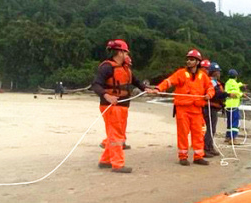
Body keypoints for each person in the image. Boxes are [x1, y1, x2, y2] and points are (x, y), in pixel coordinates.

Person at [91, 39, 148, 173]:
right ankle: (117, 164)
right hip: (111, 106)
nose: (127, 55)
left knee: (116, 134)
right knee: (116, 136)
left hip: (122, 106)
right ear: (120, 52)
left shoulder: (125, 68)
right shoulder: (107, 67)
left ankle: (105, 161)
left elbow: (136, 81)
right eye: (126, 52)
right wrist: (107, 96)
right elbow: (96, 84)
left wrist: (146, 89)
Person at [150, 49, 215, 166]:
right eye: (188, 59)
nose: (189, 61)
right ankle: (183, 156)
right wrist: (158, 89)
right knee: (183, 134)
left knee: (198, 134)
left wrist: (208, 95)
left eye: (192, 59)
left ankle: (198, 156)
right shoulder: (181, 73)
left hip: (197, 109)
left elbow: (210, 88)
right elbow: (169, 81)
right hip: (183, 109)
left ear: (197, 62)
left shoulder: (203, 76)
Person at [203, 62, 228, 156]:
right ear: (213, 72)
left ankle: (210, 147)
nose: (219, 73)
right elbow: (217, 94)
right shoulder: (211, 82)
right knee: (210, 129)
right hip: (209, 108)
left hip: (212, 108)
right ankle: (206, 148)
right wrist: (228, 94)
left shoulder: (214, 81)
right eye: (218, 71)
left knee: (212, 129)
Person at [224, 68, 246, 143]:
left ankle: (227, 137)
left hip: (228, 105)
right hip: (234, 105)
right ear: (236, 76)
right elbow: (234, 92)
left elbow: (235, 86)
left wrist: (241, 84)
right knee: (235, 122)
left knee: (229, 121)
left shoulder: (228, 82)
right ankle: (233, 138)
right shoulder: (233, 83)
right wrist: (242, 94)